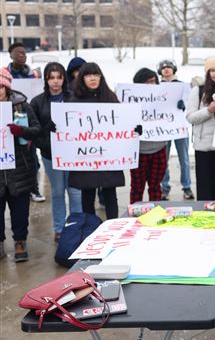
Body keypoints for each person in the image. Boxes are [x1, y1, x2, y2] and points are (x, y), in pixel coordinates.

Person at [30, 62, 82, 242]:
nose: (55, 82)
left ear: (64, 78)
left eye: (59, 77)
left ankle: (76, 225)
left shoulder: (74, 97)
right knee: (58, 191)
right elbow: (33, 130)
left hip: (73, 153)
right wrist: (46, 134)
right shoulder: (37, 101)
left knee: (75, 191)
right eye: (51, 78)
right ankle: (59, 228)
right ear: (46, 79)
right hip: (50, 154)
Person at [68, 63, 126, 220]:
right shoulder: (75, 101)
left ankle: (112, 227)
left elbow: (123, 122)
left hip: (108, 155)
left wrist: (134, 129)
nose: (93, 78)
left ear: (101, 77)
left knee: (109, 193)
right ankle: (90, 229)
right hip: (86, 156)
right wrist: (58, 126)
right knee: (87, 194)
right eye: (88, 75)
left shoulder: (111, 98)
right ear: (82, 78)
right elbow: (69, 128)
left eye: (96, 75)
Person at [0, 68, 41, 261]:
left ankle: (20, 242)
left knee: (20, 210)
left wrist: (21, 131)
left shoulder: (21, 105)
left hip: (19, 168)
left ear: (7, 87)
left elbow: (36, 129)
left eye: (1, 86)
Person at [186, 57, 215, 201]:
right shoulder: (197, 91)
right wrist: (208, 110)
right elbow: (190, 117)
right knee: (203, 189)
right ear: (207, 72)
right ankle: (203, 219)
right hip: (203, 147)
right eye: (212, 70)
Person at [6, 42, 45, 202]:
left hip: (29, 119)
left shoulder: (34, 75)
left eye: (24, 53)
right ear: (10, 55)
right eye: (18, 53)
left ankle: (33, 189)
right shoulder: (5, 75)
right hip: (8, 123)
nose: (22, 55)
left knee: (32, 160)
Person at [130, 68, 169, 203]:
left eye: (153, 81)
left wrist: (178, 108)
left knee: (155, 188)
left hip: (159, 149)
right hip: (139, 151)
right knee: (137, 188)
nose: (150, 85)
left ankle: (155, 215)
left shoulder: (164, 100)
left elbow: (174, 116)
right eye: (146, 82)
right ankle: (134, 218)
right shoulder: (130, 102)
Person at [157, 59, 194, 200]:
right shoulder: (157, 86)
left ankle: (187, 187)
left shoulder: (182, 86)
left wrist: (183, 104)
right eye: (163, 67)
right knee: (163, 159)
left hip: (180, 126)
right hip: (163, 128)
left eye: (169, 67)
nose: (166, 69)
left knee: (184, 158)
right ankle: (164, 187)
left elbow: (189, 101)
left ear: (174, 69)